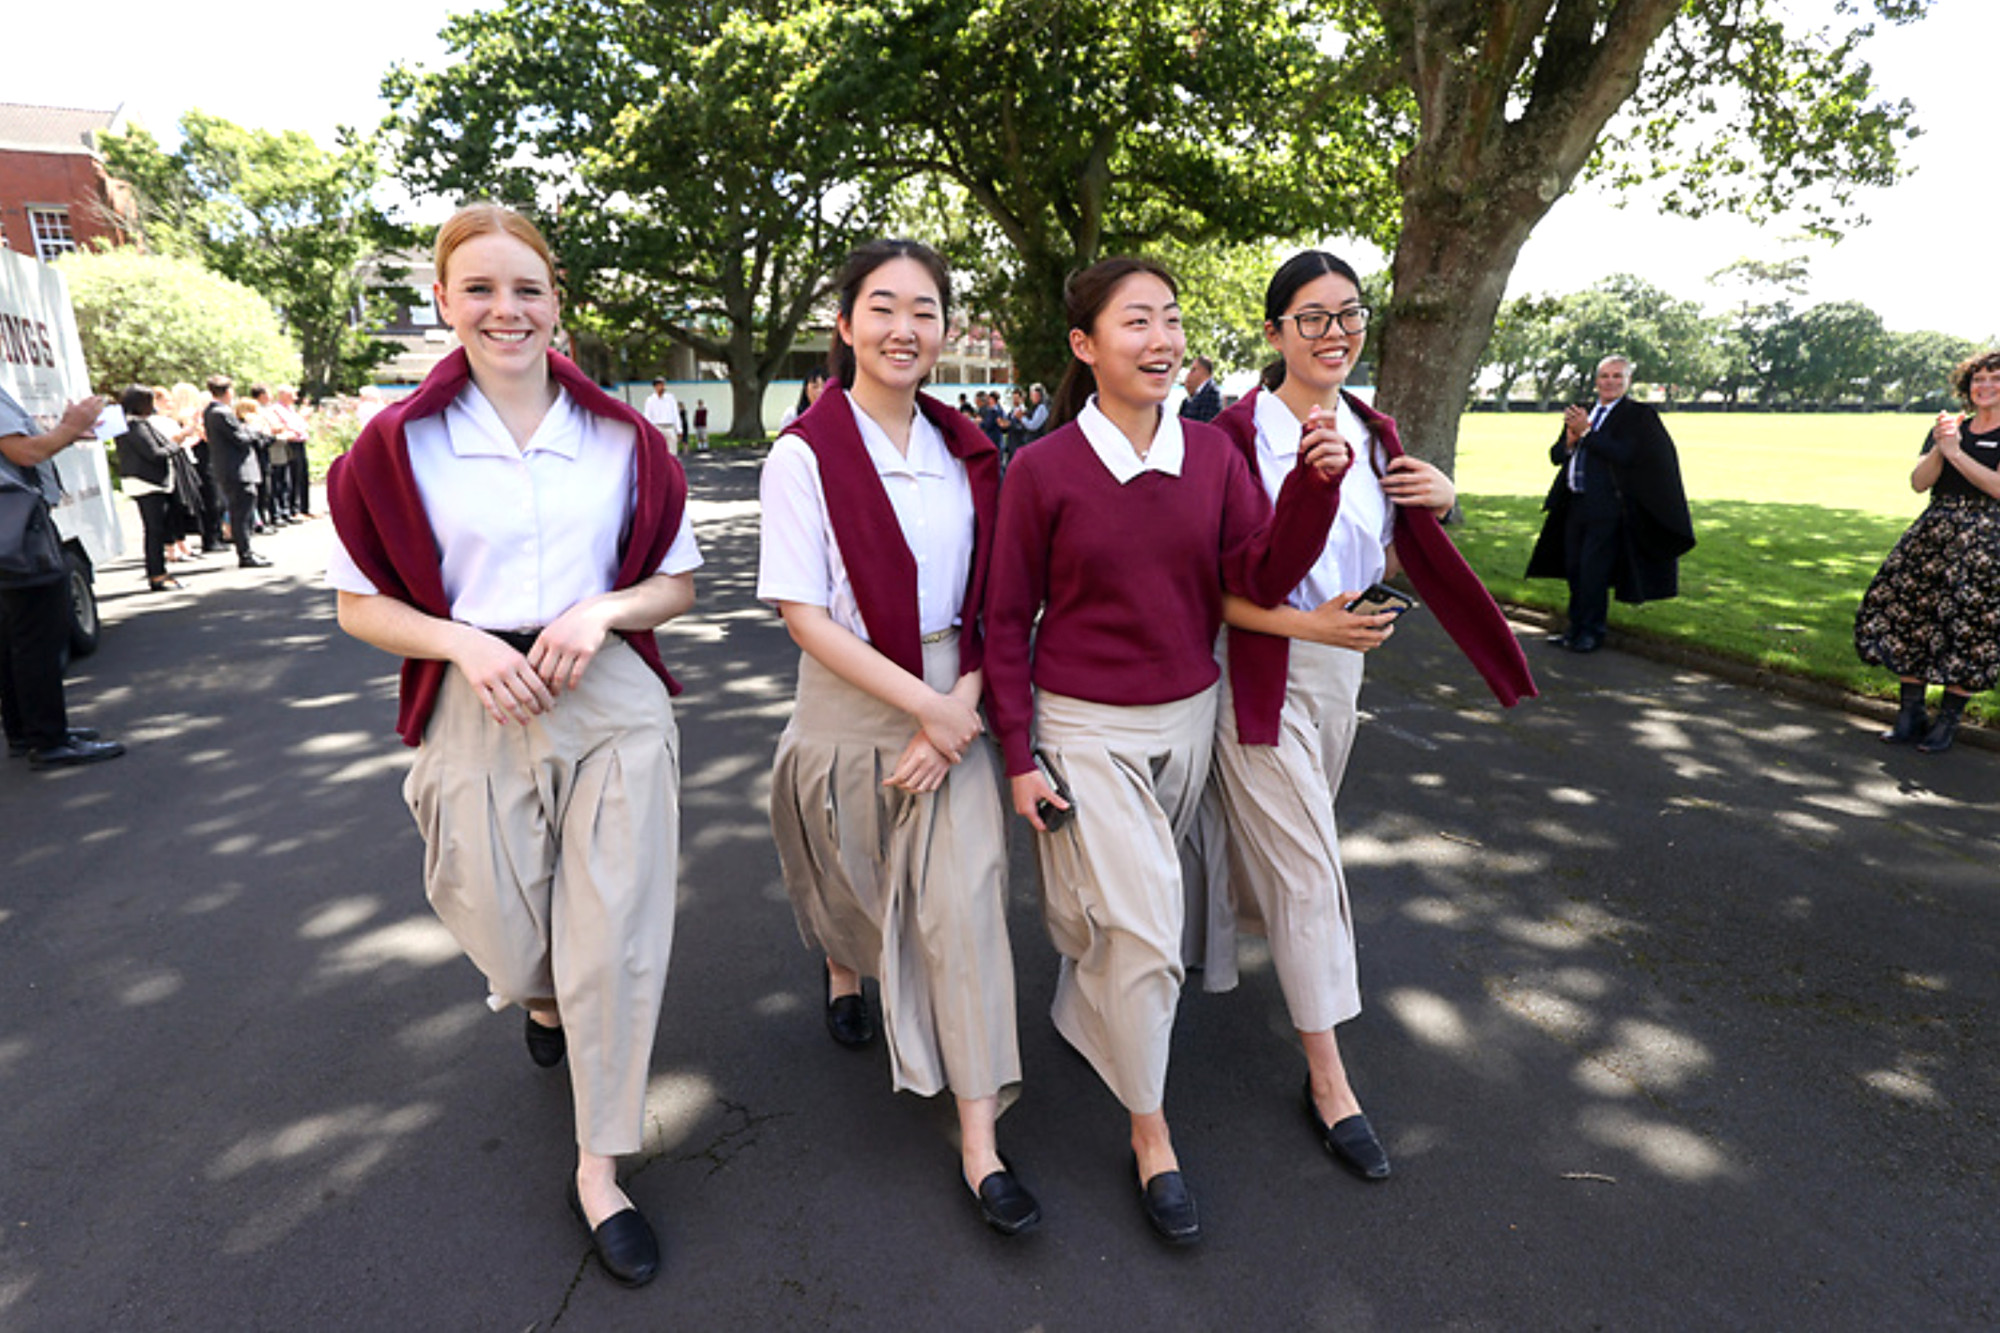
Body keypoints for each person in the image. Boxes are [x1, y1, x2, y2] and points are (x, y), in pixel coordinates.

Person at [326, 202, 699, 1288]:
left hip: (608, 694)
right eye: (480, 289)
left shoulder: (625, 438)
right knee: (492, 909)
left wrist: (606, 612)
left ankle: (599, 1166)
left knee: (616, 936)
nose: (506, 309)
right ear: (443, 302)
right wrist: (458, 641)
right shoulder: (396, 446)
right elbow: (358, 603)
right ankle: (537, 995)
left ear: (555, 302)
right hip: (475, 695)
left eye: (526, 288)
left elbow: (674, 581)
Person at [983, 256, 1343, 1246]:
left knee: (1121, 915)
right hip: (1082, 725)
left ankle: (1083, 1004)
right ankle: (1150, 1132)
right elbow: (1005, 618)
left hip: (1187, 718)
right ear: (1083, 346)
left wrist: (1313, 491)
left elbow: (1262, 573)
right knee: (1148, 928)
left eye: (1172, 319)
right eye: (1135, 321)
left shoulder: (1214, 456)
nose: (1161, 338)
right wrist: (1016, 754)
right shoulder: (1042, 468)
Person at [1194, 251, 1536, 1182]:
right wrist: (1309, 614)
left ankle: (1167, 942)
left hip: (1345, 671)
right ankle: (1330, 1079)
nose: (1334, 331)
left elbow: (1383, 545)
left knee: (1273, 855)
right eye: (1311, 317)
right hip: (1256, 673)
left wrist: (1445, 500)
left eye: (1348, 313)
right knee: (1308, 871)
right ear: (1273, 334)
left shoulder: (1375, 430)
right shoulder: (1227, 439)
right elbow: (1222, 584)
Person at [759, 238, 1037, 1236]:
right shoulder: (802, 454)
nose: (903, 327)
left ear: (947, 328)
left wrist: (956, 703)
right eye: (881, 307)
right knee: (847, 873)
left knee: (964, 910)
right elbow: (804, 615)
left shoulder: (969, 453)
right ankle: (839, 961)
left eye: (924, 309)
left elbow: (995, 597)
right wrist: (927, 709)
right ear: (845, 326)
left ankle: (978, 1140)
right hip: (847, 691)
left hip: (952, 687)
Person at [1855, 349, 2000, 753]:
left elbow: (1997, 488)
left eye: (1995, 379)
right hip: (1935, 531)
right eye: (1978, 379)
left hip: (1988, 538)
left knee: (1970, 626)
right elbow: (1920, 483)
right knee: (1909, 613)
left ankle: (1947, 723)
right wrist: (1942, 444)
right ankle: (1910, 715)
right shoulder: (1949, 428)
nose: (1985, 386)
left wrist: (1957, 453)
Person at [1525, 355, 1694, 652]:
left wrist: (1587, 432)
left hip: (1607, 508)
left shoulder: (1637, 416)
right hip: (1573, 505)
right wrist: (1569, 440)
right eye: (1605, 376)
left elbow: (1625, 454)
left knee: (1594, 571)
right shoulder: (1584, 412)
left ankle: (1591, 632)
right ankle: (1573, 629)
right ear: (1596, 381)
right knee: (1574, 569)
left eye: (1617, 376)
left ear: (1628, 381)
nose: (1610, 382)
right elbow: (1556, 457)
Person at [0, 384, 125, 768]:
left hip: (13, 530)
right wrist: (71, 427)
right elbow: (26, 452)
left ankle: (28, 732)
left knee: (13, 640)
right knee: (38, 637)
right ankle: (49, 741)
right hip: (19, 531)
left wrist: (68, 433)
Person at [114, 385, 186, 592]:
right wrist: (176, 443)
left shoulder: (126, 423)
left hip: (142, 481)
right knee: (155, 530)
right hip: (147, 482)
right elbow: (154, 454)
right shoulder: (135, 426)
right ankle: (157, 575)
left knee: (156, 529)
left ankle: (159, 572)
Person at [201, 377, 271, 569]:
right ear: (227, 392)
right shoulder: (220, 412)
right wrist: (254, 428)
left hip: (233, 468)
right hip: (236, 469)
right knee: (241, 512)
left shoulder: (213, 411)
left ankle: (247, 548)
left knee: (244, 510)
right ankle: (245, 553)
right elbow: (240, 438)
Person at [777, 365, 828, 431]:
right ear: (806, 390)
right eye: (815, 387)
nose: (820, 391)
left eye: (824, 387)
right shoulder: (793, 415)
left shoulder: (834, 417)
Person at [643, 377, 683, 453]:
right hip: (657, 427)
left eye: (663, 384)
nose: (662, 387)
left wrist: (679, 429)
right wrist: (649, 430)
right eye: (660, 385)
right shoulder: (650, 400)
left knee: (672, 452)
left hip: (669, 427)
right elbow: (647, 416)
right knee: (658, 452)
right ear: (655, 387)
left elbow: (675, 414)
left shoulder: (670, 398)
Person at [1179, 355, 1221, 423]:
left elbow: (1204, 423)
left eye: (1193, 370)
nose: (1189, 374)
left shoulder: (1211, 393)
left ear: (1204, 371)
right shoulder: (1195, 395)